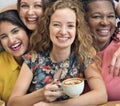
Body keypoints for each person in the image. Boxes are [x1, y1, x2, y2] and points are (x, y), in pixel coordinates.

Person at [7, 0, 107, 106]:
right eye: (56, 25)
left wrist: (55, 105)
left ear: (77, 29)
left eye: (70, 26)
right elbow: (12, 103)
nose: (63, 32)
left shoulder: (83, 56)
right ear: (47, 26)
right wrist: (40, 94)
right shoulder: (33, 58)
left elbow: (101, 95)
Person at [83, 0, 120, 101]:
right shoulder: (71, 47)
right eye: (96, 16)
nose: (105, 22)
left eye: (111, 16)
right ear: (84, 20)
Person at [0, 10, 31, 104]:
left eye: (15, 31)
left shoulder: (44, 57)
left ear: (27, 30)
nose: (11, 40)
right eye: (3, 36)